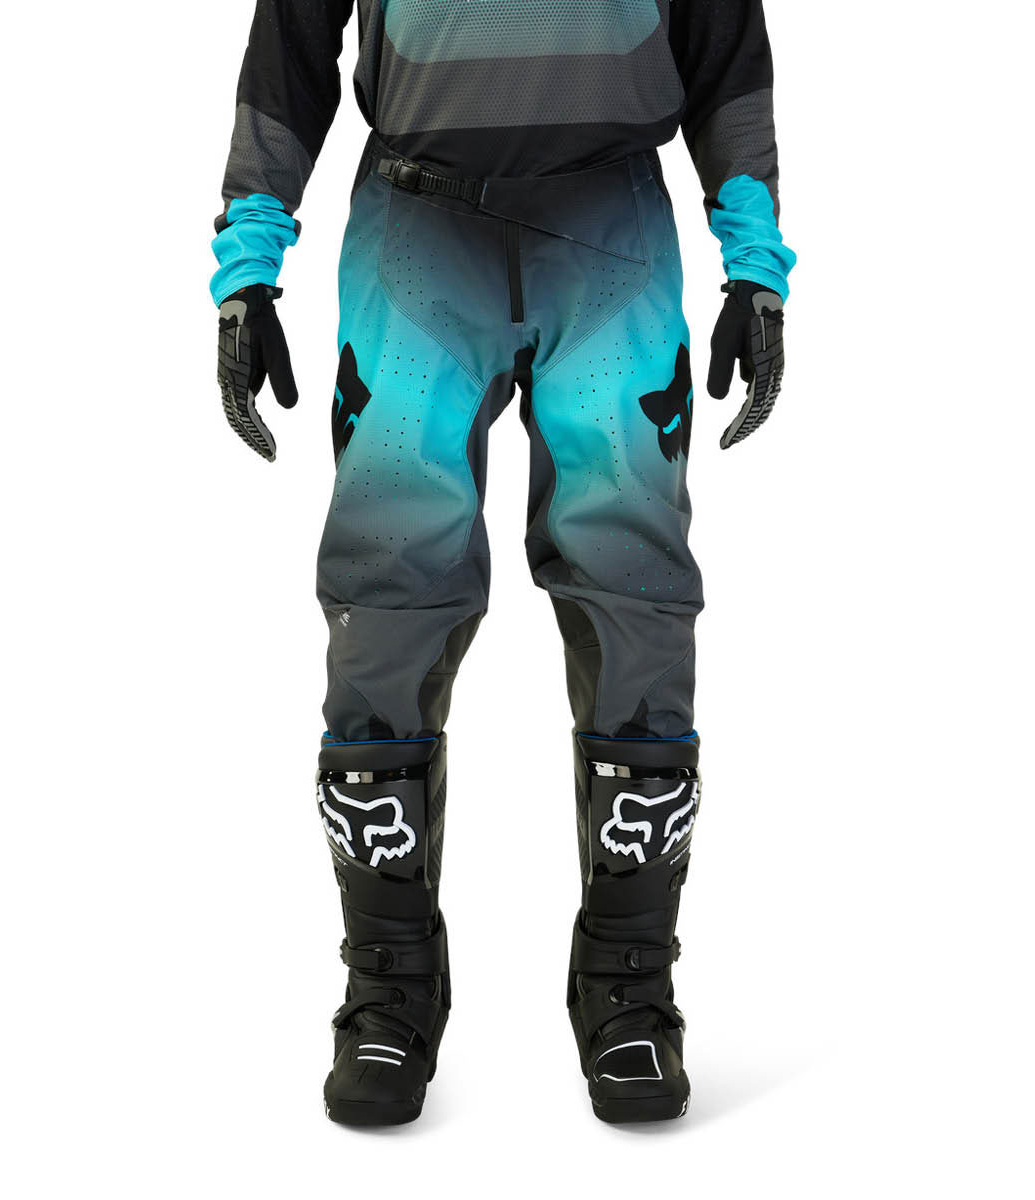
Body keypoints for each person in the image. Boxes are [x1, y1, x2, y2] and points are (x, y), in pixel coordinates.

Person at [212, 0, 795, 1126]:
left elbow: (724, 43)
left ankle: (628, 983)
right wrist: (248, 261)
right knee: (385, 601)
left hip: (606, 225)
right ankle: (387, 986)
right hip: (421, 230)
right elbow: (290, 42)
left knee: (637, 597)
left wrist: (755, 263)